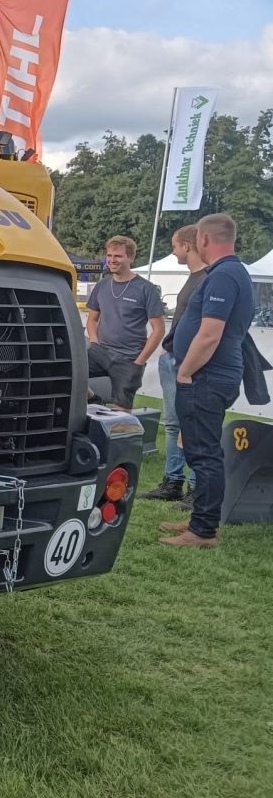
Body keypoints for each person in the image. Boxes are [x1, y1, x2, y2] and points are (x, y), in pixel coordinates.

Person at [160, 213, 255, 548]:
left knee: (204, 454)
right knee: (201, 451)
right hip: (212, 375)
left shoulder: (224, 276)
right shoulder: (230, 272)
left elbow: (209, 334)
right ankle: (200, 518)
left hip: (206, 377)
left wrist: (185, 371)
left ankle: (203, 532)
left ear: (202, 240)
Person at [141, 225, 206, 502]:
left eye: (175, 245)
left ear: (188, 246)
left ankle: (193, 485)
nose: (173, 250)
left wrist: (187, 362)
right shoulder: (194, 278)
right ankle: (173, 481)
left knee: (191, 423)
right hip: (174, 358)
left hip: (187, 362)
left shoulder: (207, 279)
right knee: (172, 423)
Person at [86, 235, 166, 408]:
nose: (112, 260)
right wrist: (93, 340)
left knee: (120, 413)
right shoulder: (102, 286)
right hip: (100, 352)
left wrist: (140, 360)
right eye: (109, 256)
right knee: (67, 373)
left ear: (130, 257)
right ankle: (93, 400)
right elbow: (92, 319)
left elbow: (158, 329)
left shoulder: (146, 289)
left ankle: (120, 432)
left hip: (129, 358)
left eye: (118, 256)